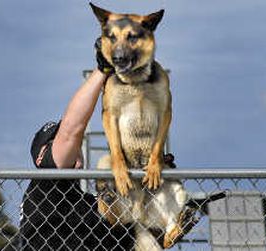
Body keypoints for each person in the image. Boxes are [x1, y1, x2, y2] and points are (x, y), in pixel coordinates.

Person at [19, 39, 177, 250]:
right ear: (41, 158)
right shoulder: (45, 187)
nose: (73, 143)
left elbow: (138, 238)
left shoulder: (90, 206)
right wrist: (103, 68)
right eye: (56, 141)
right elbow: (71, 130)